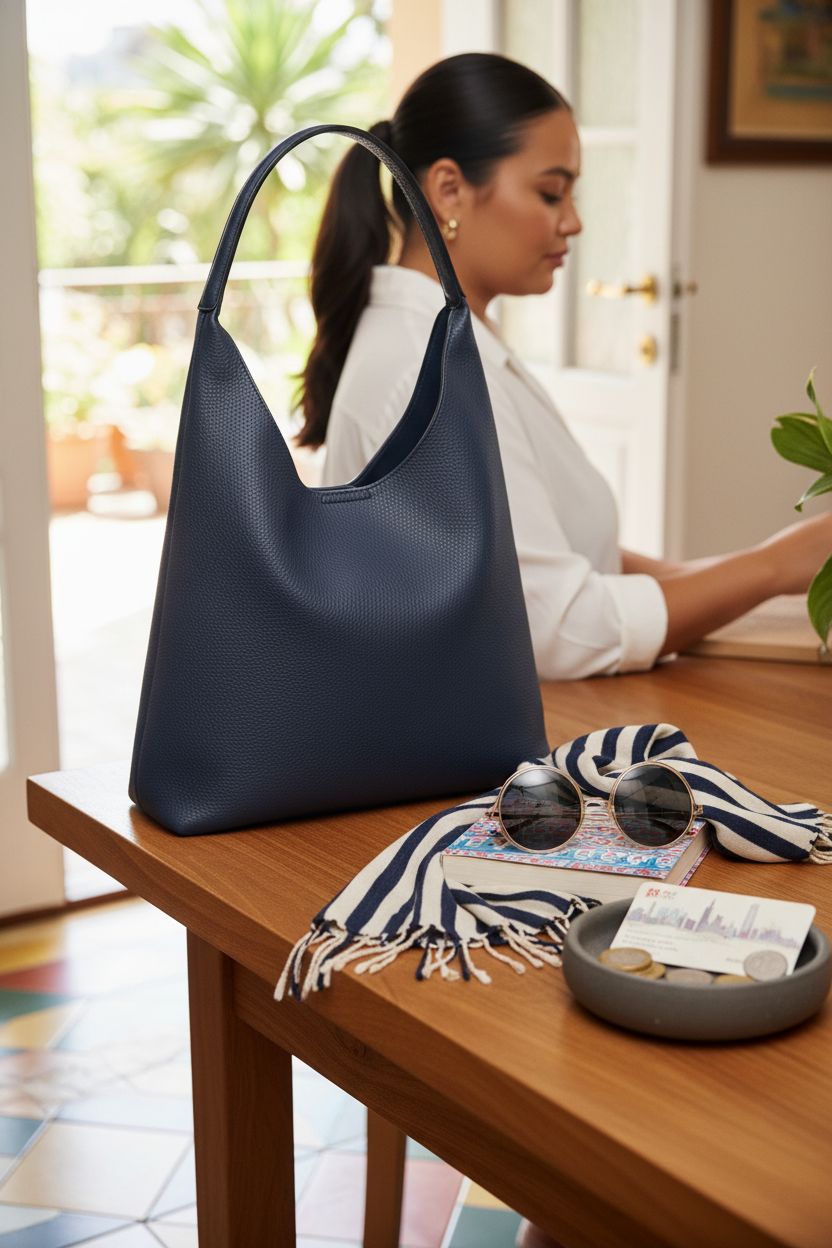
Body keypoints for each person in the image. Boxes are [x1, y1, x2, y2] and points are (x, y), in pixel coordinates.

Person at [295, 50, 832, 682]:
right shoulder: (430, 364)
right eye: (551, 192)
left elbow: (551, 558)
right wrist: (773, 567)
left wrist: (760, 571)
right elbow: (557, 630)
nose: (573, 221)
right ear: (448, 190)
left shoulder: (447, 338)